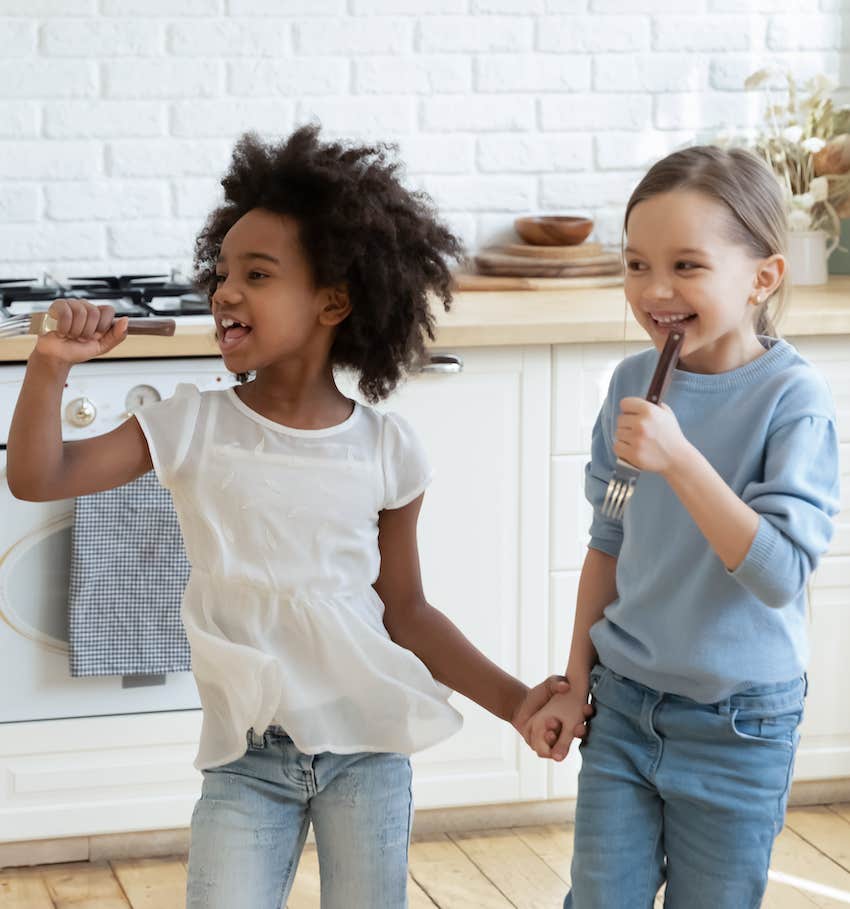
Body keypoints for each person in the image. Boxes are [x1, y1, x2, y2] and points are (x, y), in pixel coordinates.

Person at [7, 126, 583, 909]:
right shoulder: (188, 424)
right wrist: (48, 368)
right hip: (248, 758)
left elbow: (407, 612)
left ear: (333, 301)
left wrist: (517, 702)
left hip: (367, 749)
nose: (225, 292)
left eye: (257, 274)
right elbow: (40, 477)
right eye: (222, 273)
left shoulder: (387, 450)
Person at [527, 145, 841, 908]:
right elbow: (608, 543)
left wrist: (681, 458)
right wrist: (576, 682)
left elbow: (778, 573)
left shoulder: (794, 401)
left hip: (741, 727)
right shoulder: (632, 383)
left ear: (763, 277)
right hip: (626, 704)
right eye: (636, 265)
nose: (655, 290)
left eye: (687, 266)